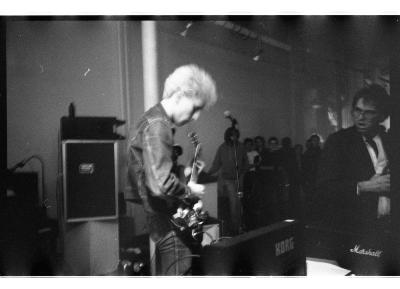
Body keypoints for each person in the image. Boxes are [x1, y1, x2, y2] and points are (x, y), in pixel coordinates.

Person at [127, 64, 217, 275]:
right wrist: (190, 192)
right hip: (166, 223)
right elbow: (160, 184)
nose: (195, 117)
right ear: (179, 95)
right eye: (195, 108)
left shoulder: (150, 119)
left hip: (159, 219)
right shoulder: (159, 125)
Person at [316, 84, 391, 234]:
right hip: (357, 228)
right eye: (357, 110)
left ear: (382, 116)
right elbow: (323, 188)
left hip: (390, 227)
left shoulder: (390, 140)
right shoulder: (338, 141)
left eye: (369, 113)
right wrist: (364, 186)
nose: (361, 118)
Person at [207, 127, 248, 236]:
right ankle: (234, 229)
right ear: (227, 136)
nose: (233, 137)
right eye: (231, 135)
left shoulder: (241, 147)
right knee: (232, 205)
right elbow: (216, 164)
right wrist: (207, 174)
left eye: (235, 135)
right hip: (227, 181)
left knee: (238, 205)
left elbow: (246, 163)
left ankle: (239, 226)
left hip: (239, 180)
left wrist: (242, 174)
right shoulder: (222, 148)